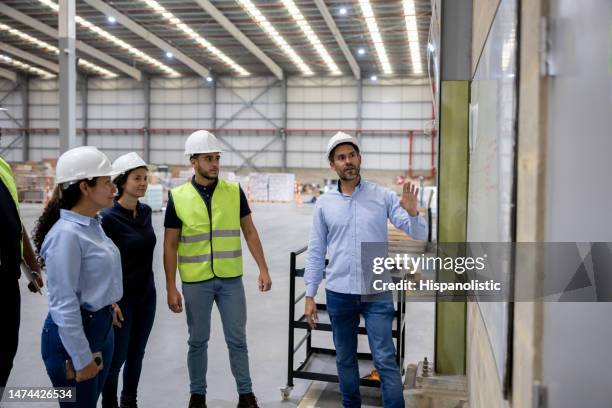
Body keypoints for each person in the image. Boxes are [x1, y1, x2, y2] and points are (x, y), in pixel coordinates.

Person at [303, 132, 428, 408]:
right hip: (339, 292)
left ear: (359, 158)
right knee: (345, 358)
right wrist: (310, 294)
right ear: (332, 164)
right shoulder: (324, 204)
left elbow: (419, 234)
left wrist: (413, 213)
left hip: (377, 291)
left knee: (384, 356)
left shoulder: (381, 196)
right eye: (341, 157)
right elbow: (316, 251)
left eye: (351, 155)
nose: (348, 161)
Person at [163, 130, 272, 408]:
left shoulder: (234, 192)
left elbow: (249, 231)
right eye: (208, 158)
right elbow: (170, 245)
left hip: (230, 280)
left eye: (217, 158)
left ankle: (246, 395)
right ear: (194, 162)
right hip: (195, 281)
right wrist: (171, 286)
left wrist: (263, 268)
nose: (214, 163)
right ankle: (197, 396)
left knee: (237, 339)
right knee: (197, 340)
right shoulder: (178, 196)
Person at [33, 146, 123, 408]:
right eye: (107, 182)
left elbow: (94, 276)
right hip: (74, 339)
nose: (113, 189)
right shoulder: (66, 236)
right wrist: (81, 357)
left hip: (100, 328)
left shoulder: (93, 224)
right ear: (85, 187)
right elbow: (63, 303)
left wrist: (109, 301)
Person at [101, 152, 156, 408]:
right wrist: (109, 301)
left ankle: (129, 401)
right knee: (117, 358)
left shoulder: (145, 212)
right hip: (121, 300)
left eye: (145, 178)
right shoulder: (108, 218)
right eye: (137, 178)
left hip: (146, 296)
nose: (143, 183)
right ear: (122, 181)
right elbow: (101, 264)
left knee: (138, 355)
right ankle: (110, 403)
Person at [0, 156, 42, 391]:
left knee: (6, 352)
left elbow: (15, 219)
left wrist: (32, 263)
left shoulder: (3, 167)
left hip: (7, 278)